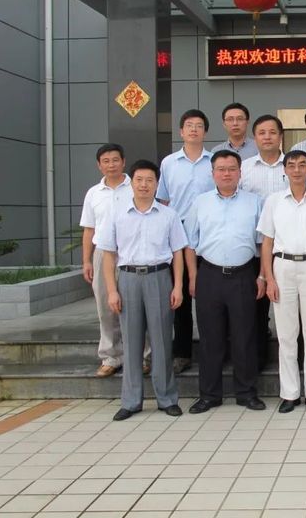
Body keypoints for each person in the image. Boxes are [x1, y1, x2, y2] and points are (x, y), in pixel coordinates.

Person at [96, 159, 187, 421]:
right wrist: (112, 291)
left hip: (159, 278)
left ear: (157, 184)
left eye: (149, 180)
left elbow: (178, 253)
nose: (144, 185)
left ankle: (166, 398)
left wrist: (178, 286)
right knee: (131, 341)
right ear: (132, 183)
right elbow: (109, 255)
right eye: (139, 180)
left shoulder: (169, 215)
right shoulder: (117, 215)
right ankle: (131, 401)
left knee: (161, 341)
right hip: (128, 279)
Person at [183, 150, 266, 414]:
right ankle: (209, 395)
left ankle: (246, 393)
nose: (226, 174)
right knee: (210, 338)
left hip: (244, 275)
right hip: (209, 275)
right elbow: (189, 243)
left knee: (245, 336)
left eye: (231, 169)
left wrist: (262, 275)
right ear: (213, 173)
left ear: (240, 173)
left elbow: (263, 243)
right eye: (221, 169)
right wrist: (193, 277)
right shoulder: (200, 203)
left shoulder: (254, 202)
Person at [258, 150, 306, 413]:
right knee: (287, 333)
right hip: (283, 267)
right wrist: (269, 278)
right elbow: (267, 243)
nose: (297, 170)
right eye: (291, 165)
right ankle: (290, 393)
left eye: (302, 165)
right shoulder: (274, 201)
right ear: (285, 170)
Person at [156, 109, 215, 374]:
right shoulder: (169, 163)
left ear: (205, 131)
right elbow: (163, 200)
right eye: (189, 125)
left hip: (208, 234)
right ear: (181, 131)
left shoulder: (214, 162)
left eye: (199, 125)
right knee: (179, 297)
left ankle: (214, 350)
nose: (193, 129)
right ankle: (182, 353)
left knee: (209, 297)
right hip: (177, 236)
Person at [80, 143, 135, 378]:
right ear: (99, 165)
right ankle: (111, 356)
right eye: (106, 161)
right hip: (103, 253)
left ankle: (143, 356)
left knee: (136, 306)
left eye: (115, 160)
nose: (111, 164)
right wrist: (87, 261)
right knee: (106, 307)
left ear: (123, 161)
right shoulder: (93, 193)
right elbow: (88, 230)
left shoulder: (136, 186)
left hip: (132, 252)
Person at [240, 114, 288, 371]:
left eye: (272, 132)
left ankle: (293, 359)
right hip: (255, 248)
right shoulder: (244, 169)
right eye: (262, 133)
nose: (267, 137)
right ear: (255, 137)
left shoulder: (293, 166)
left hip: (288, 248)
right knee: (256, 308)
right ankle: (258, 359)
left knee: (290, 307)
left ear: (281, 136)